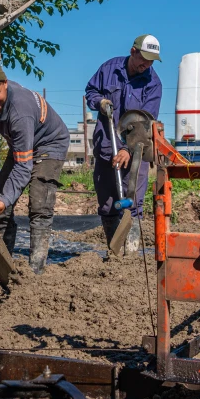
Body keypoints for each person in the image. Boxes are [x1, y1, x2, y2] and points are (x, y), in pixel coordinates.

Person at [0, 53, 69, 274]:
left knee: (39, 204)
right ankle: (2, 263)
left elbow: (23, 168)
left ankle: (36, 269)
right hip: (21, 143)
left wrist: (5, 200)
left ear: (5, 83)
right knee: (1, 201)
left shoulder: (20, 113)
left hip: (49, 144)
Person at [84, 35, 162, 252]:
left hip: (136, 152)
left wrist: (128, 149)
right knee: (107, 203)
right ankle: (114, 252)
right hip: (107, 146)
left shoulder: (153, 84)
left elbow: (146, 121)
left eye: (151, 60)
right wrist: (100, 102)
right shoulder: (109, 69)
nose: (146, 64)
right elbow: (91, 91)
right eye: (144, 58)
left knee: (133, 202)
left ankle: (131, 252)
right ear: (133, 51)